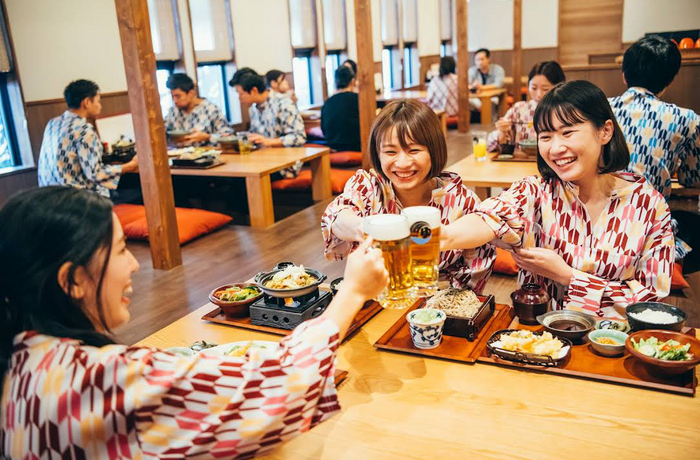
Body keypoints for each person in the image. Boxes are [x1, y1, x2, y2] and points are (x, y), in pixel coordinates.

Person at [0, 186, 388, 460]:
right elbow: (276, 387)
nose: (134, 264)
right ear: (73, 280)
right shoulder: (94, 381)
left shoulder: (23, 360)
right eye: (120, 250)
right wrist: (352, 291)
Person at [441, 80, 674, 319]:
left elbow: (651, 305)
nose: (555, 148)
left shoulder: (649, 206)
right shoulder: (537, 191)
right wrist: (442, 236)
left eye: (567, 133)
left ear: (605, 131)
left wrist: (568, 277)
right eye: (546, 136)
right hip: (540, 336)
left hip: (617, 339)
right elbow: (490, 216)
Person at [321, 100, 495, 292]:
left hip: (440, 301)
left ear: (434, 150)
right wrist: (365, 229)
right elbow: (337, 216)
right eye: (390, 152)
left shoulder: (462, 201)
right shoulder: (369, 186)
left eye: (414, 150)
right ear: (378, 154)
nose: (402, 163)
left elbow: (475, 274)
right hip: (377, 296)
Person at [609, 35, 700, 266]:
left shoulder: (600, 108)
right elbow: (692, 178)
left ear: (624, 74)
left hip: (596, 222)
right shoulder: (686, 119)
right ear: (669, 81)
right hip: (648, 231)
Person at [37, 79, 138, 198]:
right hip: (76, 198)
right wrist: (131, 165)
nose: (100, 106)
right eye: (98, 101)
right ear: (87, 102)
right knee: (137, 189)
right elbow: (95, 174)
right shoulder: (84, 130)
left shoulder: (52, 123)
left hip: (49, 196)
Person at [230, 69, 307, 177]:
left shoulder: (283, 104)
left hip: (285, 164)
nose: (239, 98)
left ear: (254, 90)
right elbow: (255, 136)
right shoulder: (253, 109)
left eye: (240, 94)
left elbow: (299, 137)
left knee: (240, 181)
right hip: (262, 161)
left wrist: (268, 141)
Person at [487, 61, 566, 152]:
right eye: (534, 88)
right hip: (521, 159)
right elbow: (489, 144)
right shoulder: (519, 109)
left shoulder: (565, 112)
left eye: (545, 89)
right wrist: (502, 131)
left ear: (559, 88)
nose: (539, 94)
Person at [164, 73, 233, 146]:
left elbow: (228, 137)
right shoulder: (173, 111)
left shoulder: (211, 109)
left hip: (208, 152)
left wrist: (208, 137)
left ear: (191, 93)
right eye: (172, 96)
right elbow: (164, 133)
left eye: (178, 96)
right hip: (179, 152)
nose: (175, 101)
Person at [321, 66, 361, 152]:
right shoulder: (359, 99)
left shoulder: (328, 102)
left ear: (335, 82)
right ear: (353, 81)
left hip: (333, 147)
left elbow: (323, 130)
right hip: (357, 147)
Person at [468, 48, 505, 117]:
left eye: (482, 59)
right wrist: (472, 86)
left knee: (494, 101)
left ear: (488, 59)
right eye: (477, 60)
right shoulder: (472, 70)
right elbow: (467, 85)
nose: (479, 62)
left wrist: (481, 87)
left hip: (493, 97)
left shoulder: (498, 69)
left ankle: (490, 119)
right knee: (469, 100)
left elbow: (498, 84)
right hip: (476, 98)